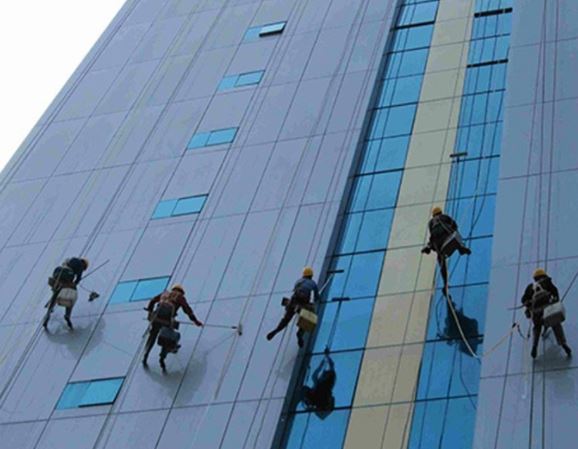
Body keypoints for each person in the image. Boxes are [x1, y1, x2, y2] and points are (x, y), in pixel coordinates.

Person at [143, 284, 203, 371]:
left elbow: (152, 301)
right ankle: (162, 358)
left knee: (152, 336)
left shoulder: (165, 293)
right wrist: (195, 321)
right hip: (167, 320)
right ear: (181, 292)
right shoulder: (180, 297)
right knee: (167, 337)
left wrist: (150, 311)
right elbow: (187, 310)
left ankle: (146, 354)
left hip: (156, 318)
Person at [522, 268, 571, 359]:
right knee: (556, 325)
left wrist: (528, 305)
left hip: (536, 312)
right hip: (548, 309)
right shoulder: (547, 282)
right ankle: (564, 345)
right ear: (544, 275)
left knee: (537, 327)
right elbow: (555, 292)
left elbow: (523, 300)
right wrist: (556, 300)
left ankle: (534, 346)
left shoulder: (530, 287)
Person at [266, 266, 320, 347]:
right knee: (308, 318)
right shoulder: (313, 283)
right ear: (311, 276)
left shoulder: (298, 281)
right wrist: (316, 300)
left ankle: (277, 329)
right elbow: (316, 297)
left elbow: (295, 290)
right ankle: (300, 333)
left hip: (293, 302)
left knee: (286, 319)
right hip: (303, 304)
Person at [421, 206, 471, 293]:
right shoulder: (444, 217)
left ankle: (445, 284)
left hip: (439, 245)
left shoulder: (430, 223)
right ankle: (461, 248)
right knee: (456, 234)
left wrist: (431, 245)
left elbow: (432, 236)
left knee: (441, 261)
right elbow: (454, 225)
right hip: (447, 239)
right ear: (441, 212)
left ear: (433, 215)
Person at [43, 257, 89, 330]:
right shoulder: (80, 265)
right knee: (71, 294)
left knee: (56, 292)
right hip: (67, 274)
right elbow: (78, 279)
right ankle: (67, 315)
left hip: (57, 272)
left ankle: (49, 311)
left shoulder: (72, 259)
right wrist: (74, 284)